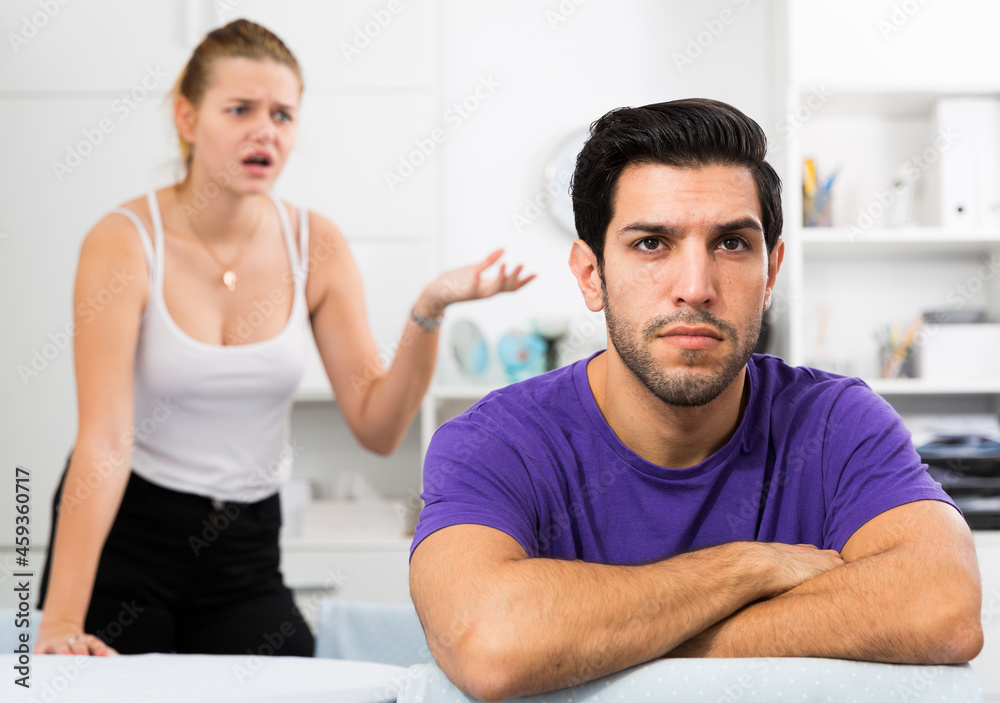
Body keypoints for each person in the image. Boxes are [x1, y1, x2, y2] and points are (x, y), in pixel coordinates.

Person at [409, 98, 983, 701]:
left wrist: (594, 639)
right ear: (589, 274)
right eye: (652, 243)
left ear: (772, 271)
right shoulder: (496, 440)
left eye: (732, 243)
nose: (696, 288)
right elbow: (491, 642)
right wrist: (752, 568)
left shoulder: (836, 422)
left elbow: (942, 604)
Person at [35, 19, 533, 657]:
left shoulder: (315, 244)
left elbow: (378, 429)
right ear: (187, 118)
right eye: (239, 109)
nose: (265, 130)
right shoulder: (125, 240)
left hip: (244, 547)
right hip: (128, 537)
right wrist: (58, 623)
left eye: (283, 114)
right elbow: (104, 438)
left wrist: (428, 310)